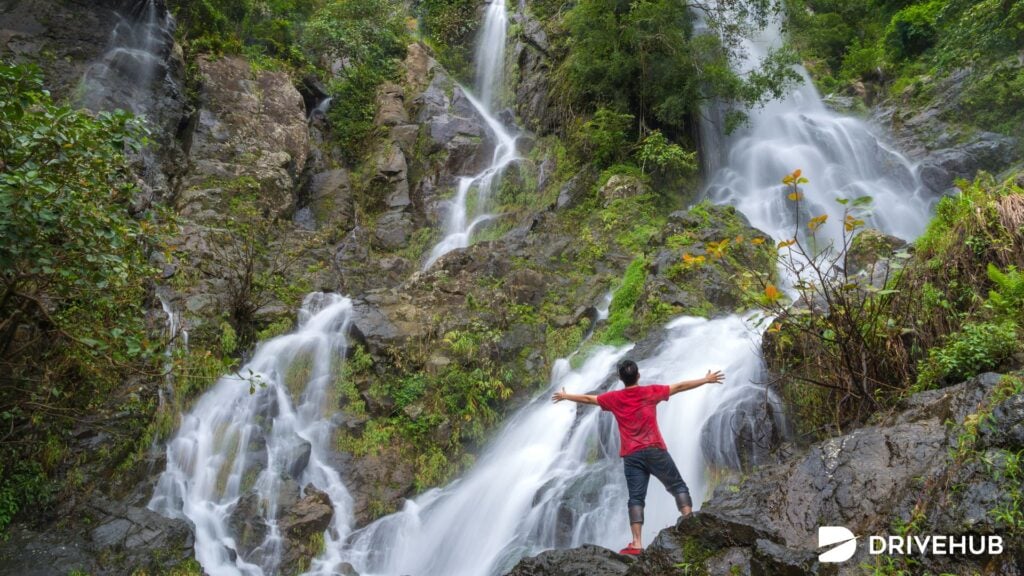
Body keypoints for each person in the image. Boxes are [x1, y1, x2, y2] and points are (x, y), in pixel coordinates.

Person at [551, 359, 724, 555]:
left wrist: (566, 396)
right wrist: (706, 379)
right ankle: (690, 523)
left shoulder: (614, 398)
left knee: (636, 498)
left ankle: (636, 543)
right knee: (678, 487)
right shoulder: (650, 392)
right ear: (638, 376)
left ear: (620, 379)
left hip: (631, 455)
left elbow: (590, 400)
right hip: (654, 449)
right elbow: (680, 386)